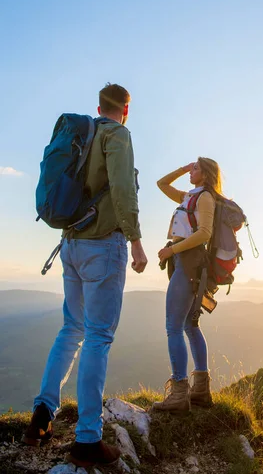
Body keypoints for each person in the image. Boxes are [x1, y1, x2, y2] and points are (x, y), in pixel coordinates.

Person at [23, 83, 147, 468]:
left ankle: (41, 416)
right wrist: (137, 241)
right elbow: (124, 191)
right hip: (102, 247)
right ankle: (88, 439)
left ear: (98, 107)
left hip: (72, 245)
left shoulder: (84, 135)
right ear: (126, 110)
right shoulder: (118, 135)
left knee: (71, 329)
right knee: (97, 336)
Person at [152, 158, 221, 413]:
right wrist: (182, 169)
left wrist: (172, 251)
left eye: (195, 168)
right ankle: (201, 391)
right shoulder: (188, 196)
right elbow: (161, 184)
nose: (191, 171)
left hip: (189, 262)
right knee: (190, 326)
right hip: (188, 262)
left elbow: (205, 233)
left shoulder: (204, 197)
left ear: (205, 175)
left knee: (174, 327)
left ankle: (179, 394)